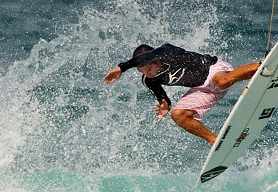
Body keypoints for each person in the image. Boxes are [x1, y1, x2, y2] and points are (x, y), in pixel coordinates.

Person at [103, 44, 260, 145]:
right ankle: (216, 141)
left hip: (213, 70)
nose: (148, 75)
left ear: (155, 60)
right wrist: (165, 104)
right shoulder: (149, 81)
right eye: (142, 72)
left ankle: (262, 66)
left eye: (149, 70)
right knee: (178, 115)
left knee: (222, 81)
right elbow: (164, 98)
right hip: (202, 89)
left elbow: (147, 56)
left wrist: (121, 68)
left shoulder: (168, 53)